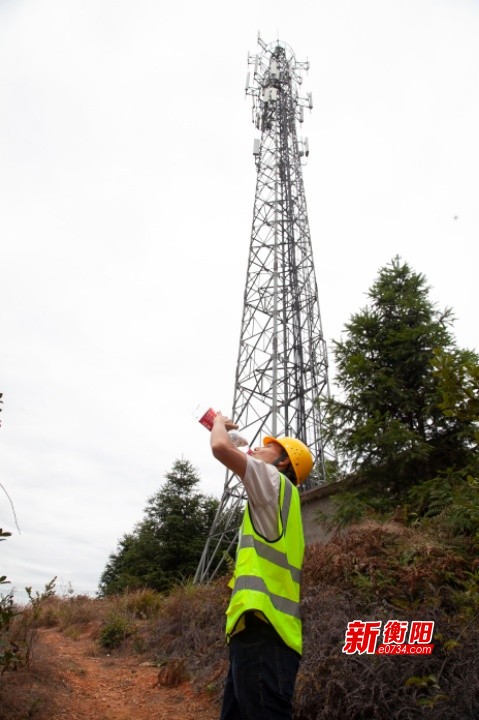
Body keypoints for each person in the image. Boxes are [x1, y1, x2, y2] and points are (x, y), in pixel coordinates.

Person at [210, 411, 314, 720]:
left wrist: (219, 424)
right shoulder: (281, 498)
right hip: (262, 633)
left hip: (264, 634)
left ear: (283, 462)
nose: (255, 447)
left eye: (269, 447)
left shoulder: (273, 482)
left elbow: (220, 449)